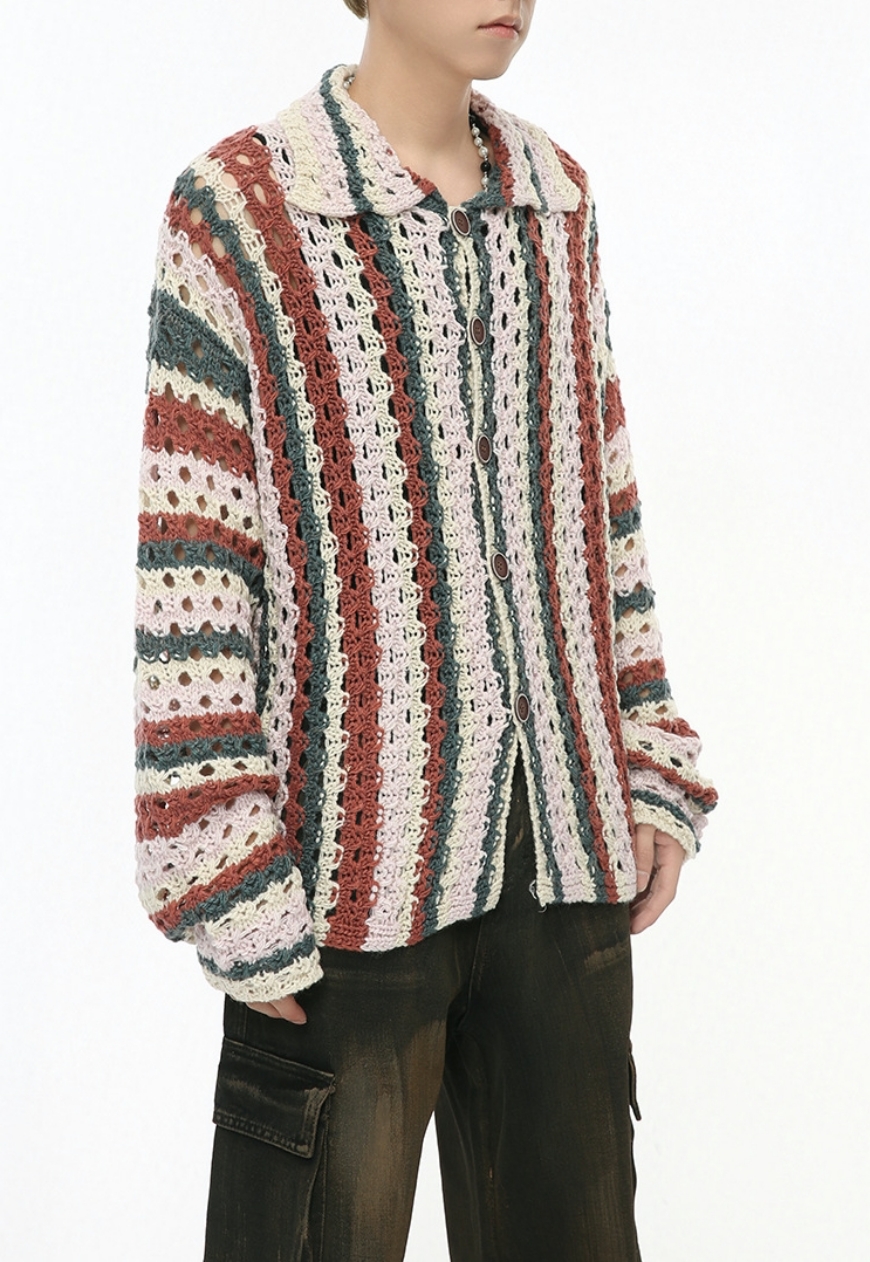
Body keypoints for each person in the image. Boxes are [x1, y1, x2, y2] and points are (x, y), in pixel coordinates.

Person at [134, 1, 717, 1257]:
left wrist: (647, 746)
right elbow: (195, 565)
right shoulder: (242, 213)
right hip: (336, 881)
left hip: (563, 859)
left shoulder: (556, 201)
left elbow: (600, 495)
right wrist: (223, 860)